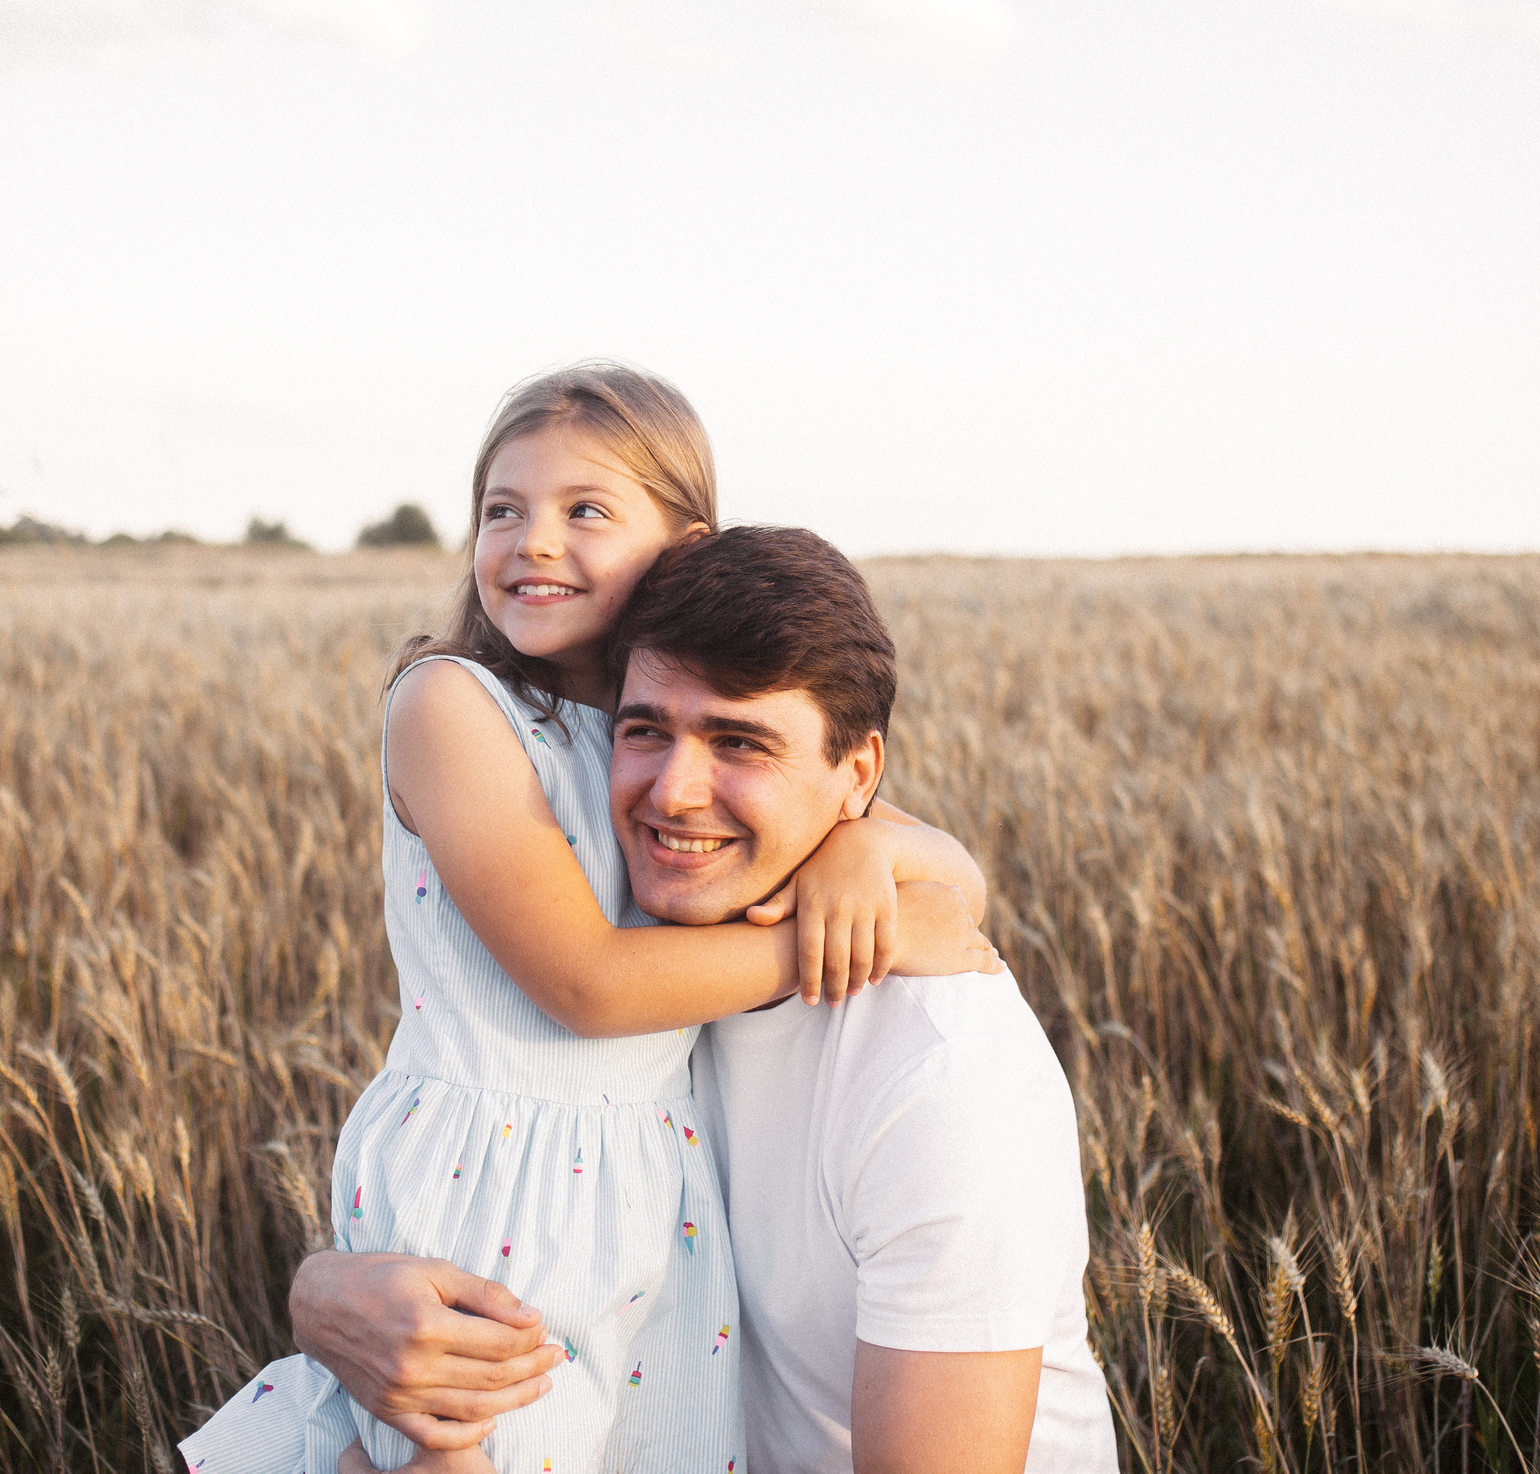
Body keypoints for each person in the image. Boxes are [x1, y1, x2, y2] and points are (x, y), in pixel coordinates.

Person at [179, 369, 998, 1474]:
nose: (533, 541)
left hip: (646, 1195)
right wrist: (831, 941)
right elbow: (588, 983)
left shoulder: (661, 725)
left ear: (683, 548)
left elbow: (952, 874)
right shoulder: (452, 705)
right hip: (497, 1180)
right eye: (502, 508)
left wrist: (861, 853)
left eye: (585, 510)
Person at [293, 527, 1121, 1474]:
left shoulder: (940, 1077)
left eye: (740, 742)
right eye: (644, 729)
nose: (675, 793)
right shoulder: (656, 971)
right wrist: (324, 1296)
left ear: (858, 776)